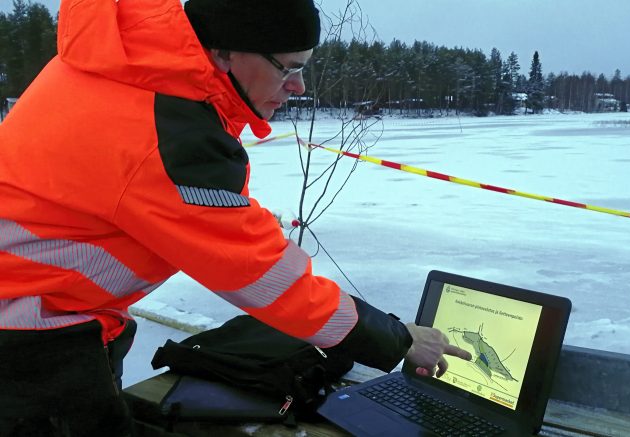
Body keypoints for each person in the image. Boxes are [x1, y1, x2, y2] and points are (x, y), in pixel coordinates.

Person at [0, 0, 471, 435]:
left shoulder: (128, 75)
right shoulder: (166, 132)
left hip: (50, 317)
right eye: (290, 67)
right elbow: (257, 271)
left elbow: (211, 220)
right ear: (225, 52)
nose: (299, 87)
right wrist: (397, 338)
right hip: (29, 339)